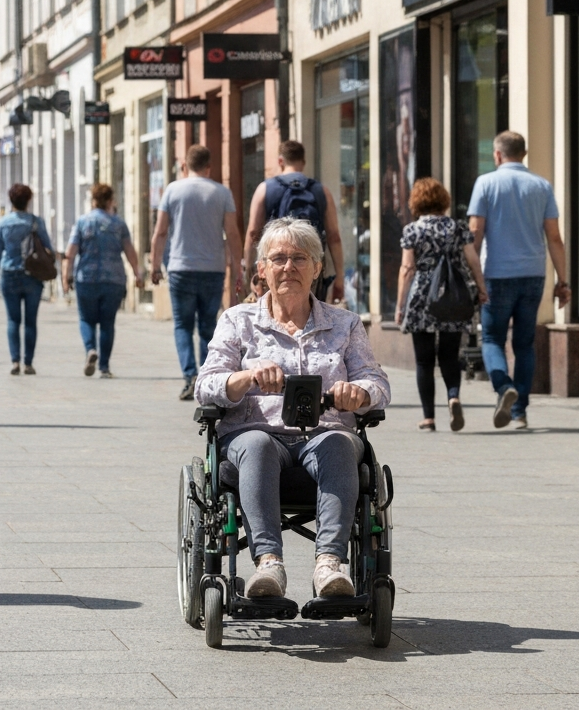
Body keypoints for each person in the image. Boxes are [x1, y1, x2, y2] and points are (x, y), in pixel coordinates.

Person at [196, 218, 390, 600]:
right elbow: (206, 385)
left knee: (337, 443)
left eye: (299, 258)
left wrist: (358, 393)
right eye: (278, 258)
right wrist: (247, 377)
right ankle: (269, 565)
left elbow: (377, 382)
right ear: (262, 269)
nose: (288, 267)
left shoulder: (345, 324)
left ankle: (329, 567)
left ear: (317, 268)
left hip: (325, 433)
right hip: (255, 434)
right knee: (257, 445)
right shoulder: (238, 320)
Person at [467, 131, 570, 430]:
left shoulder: (486, 183)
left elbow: (475, 232)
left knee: (491, 338)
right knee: (525, 344)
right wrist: (563, 281)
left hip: (496, 275)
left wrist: (472, 276)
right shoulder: (541, 186)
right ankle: (520, 411)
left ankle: (503, 388)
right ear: (523, 154)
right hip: (533, 275)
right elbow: (554, 237)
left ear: (498, 155)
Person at [151, 144, 243, 401]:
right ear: (209, 166)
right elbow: (233, 233)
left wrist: (155, 265)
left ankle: (189, 376)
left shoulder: (172, 190)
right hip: (212, 269)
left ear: (184, 165)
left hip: (180, 267)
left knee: (182, 325)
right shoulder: (222, 193)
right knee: (207, 326)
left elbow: (160, 232)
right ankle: (207, 377)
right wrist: (239, 268)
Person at [395, 178, 487, 432]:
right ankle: (454, 396)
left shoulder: (412, 230)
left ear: (417, 201)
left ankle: (428, 418)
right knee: (449, 354)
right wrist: (480, 289)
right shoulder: (458, 228)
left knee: (424, 361)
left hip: (423, 297)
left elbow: (406, 268)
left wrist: (400, 305)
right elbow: (473, 261)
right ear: (443, 201)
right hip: (454, 295)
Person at [242, 140, 345, 304]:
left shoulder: (265, 189)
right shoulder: (321, 191)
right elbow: (334, 237)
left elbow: (253, 232)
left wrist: (249, 271)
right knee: (311, 313)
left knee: (275, 313)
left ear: (280, 161)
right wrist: (340, 277)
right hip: (309, 265)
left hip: (276, 264)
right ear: (303, 162)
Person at [61, 183, 143, 378]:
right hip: (113, 279)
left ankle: (91, 349)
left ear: (93, 200)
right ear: (109, 201)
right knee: (107, 322)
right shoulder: (118, 224)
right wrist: (137, 273)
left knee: (86, 319)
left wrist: (66, 277)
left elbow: (70, 253)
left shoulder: (82, 223)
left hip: (87, 279)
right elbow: (130, 251)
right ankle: (104, 367)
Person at [0, 184, 52, 375]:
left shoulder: (4, 223)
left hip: (9, 273)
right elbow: (47, 247)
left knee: (13, 320)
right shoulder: (35, 222)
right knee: (30, 321)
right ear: (28, 201)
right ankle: (29, 363)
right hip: (32, 275)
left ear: (11, 200)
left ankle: (15, 361)